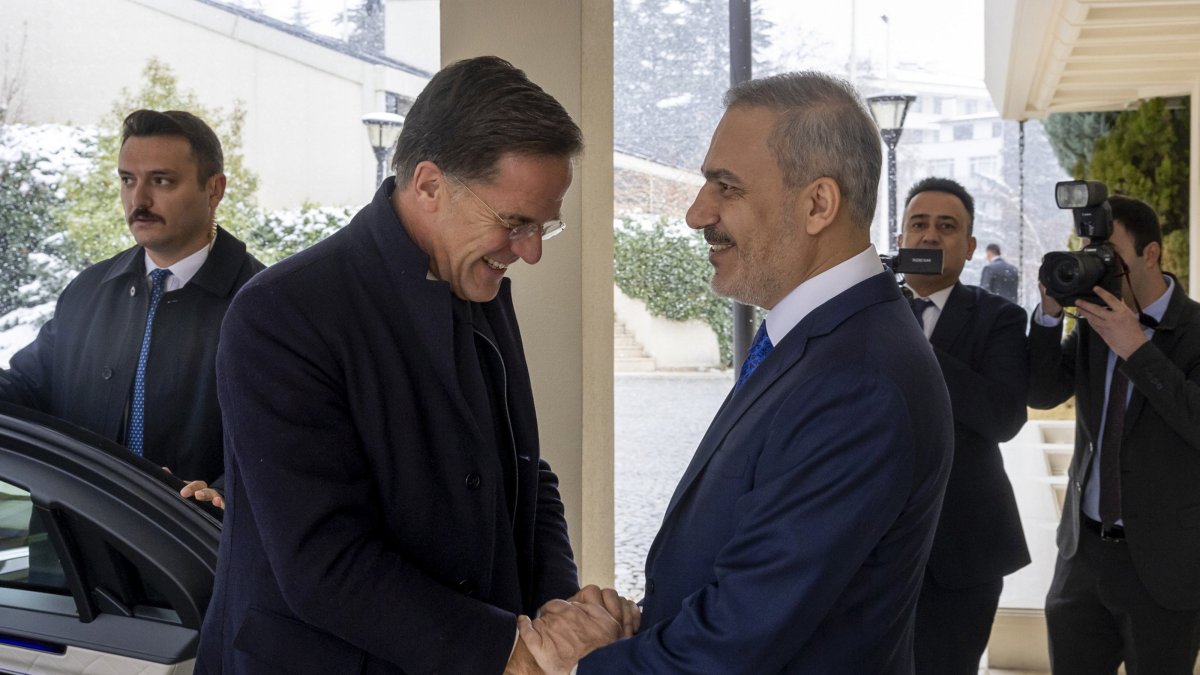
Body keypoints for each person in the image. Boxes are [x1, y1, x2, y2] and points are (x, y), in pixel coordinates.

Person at [195, 56, 633, 674]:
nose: (530, 252)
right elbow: (324, 562)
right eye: (515, 223)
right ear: (429, 184)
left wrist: (560, 615)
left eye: (543, 226)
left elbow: (526, 478)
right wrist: (513, 652)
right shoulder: (281, 312)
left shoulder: (476, 284)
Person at [522, 71, 955, 674]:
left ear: (818, 205)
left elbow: (739, 639)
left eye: (725, 187)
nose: (698, 214)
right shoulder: (819, 339)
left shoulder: (860, 383)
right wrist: (636, 628)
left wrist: (589, 662)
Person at [0, 109, 262, 508]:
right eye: (128, 180)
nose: (138, 200)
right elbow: (28, 390)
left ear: (214, 189)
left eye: (161, 181)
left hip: (197, 552)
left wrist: (225, 492)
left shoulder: (264, 306)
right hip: (77, 553)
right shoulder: (88, 290)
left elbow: (286, 443)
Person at [1029, 195, 1200, 674]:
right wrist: (1047, 316)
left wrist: (1137, 349)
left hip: (1165, 570)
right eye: (1090, 252)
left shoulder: (1196, 330)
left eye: (1110, 256)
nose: (1097, 266)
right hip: (1081, 560)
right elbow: (1042, 393)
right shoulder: (1093, 325)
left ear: (1151, 254)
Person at [899, 177, 1031, 674]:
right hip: (871, 550)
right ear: (901, 239)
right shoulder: (865, 314)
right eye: (919, 224)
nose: (931, 236)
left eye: (947, 226)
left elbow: (1002, 417)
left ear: (970, 246)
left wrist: (914, 345)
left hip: (964, 551)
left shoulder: (998, 318)